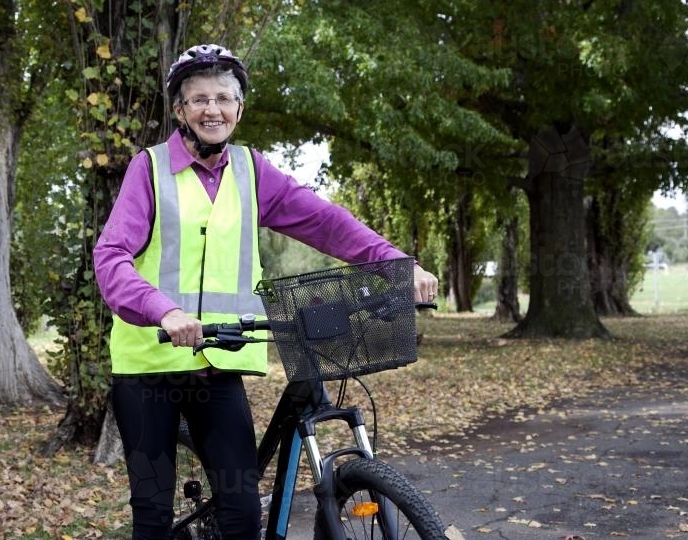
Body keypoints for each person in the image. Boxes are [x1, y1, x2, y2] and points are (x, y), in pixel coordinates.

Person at [93, 43, 439, 539]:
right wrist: (163, 312)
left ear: (239, 108)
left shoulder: (251, 171)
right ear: (180, 111)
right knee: (152, 513)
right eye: (199, 99)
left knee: (240, 511)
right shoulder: (148, 170)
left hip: (220, 363)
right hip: (149, 369)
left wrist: (395, 265)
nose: (212, 108)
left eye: (223, 98)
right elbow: (111, 258)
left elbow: (324, 222)